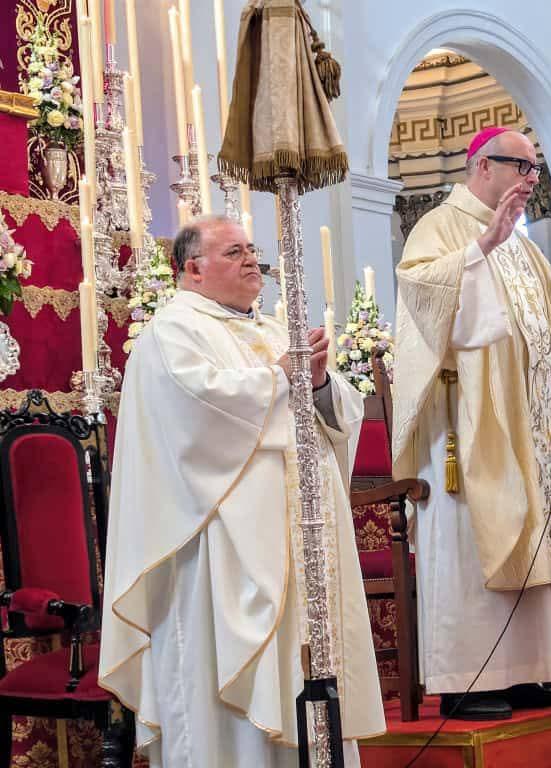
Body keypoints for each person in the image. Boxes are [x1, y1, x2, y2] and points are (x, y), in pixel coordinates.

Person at [99, 216, 385, 766]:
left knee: (306, 672)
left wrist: (320, 380)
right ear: (194, 269)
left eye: (252, 250)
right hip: (217, 558)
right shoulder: (171, 332)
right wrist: (280, 379)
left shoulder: (273, 330)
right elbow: (196, 413)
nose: (253, 260)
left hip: (299, 545)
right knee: (229, 704)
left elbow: (336, 413)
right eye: (234, 252)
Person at [392, 127, 551, 720]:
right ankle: (468, 677)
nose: (530, 179)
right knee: (475, 538)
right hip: (469, 425)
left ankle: (529, 671)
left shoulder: (520, 243)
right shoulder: (440, 227)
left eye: (535, 169)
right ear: (482, 165)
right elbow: (420, 293)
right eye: (522, 166)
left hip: (529, 424)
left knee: (531, 529)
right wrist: (479, 249)